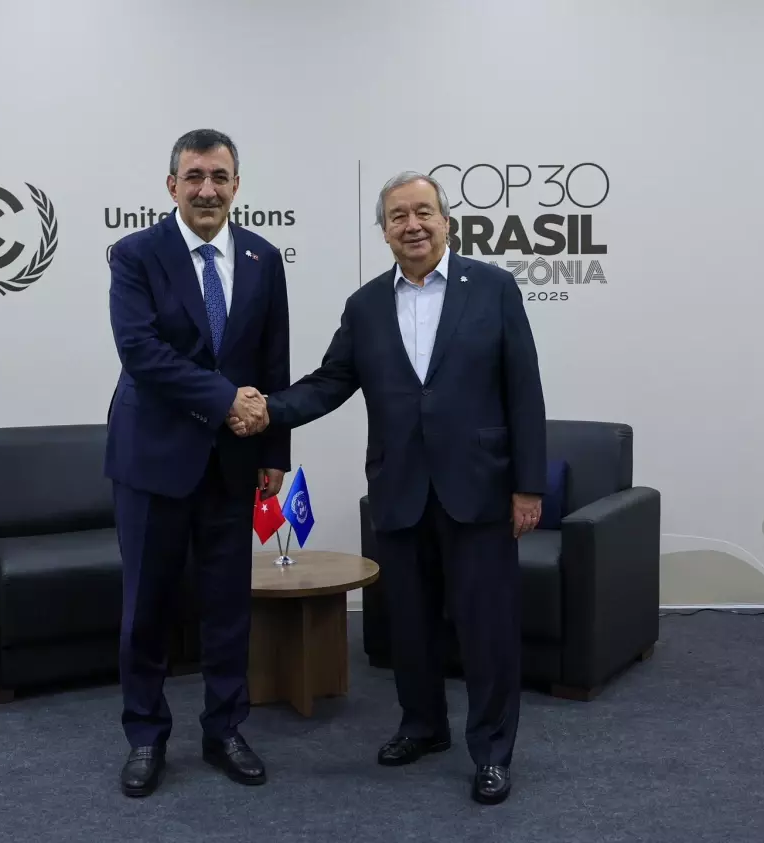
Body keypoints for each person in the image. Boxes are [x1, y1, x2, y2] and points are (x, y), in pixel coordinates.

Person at [230, 171, 546, 806]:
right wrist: (268, 411)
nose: (412, 225)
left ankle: (491, 751)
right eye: (398, 216)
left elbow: (524, 389)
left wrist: (528, 486)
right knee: (410, 623)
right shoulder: (366, 304)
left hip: (479, 488)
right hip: (399, 487)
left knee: (486, 628)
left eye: (423, 212)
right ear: (384, 231)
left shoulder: (494, 288)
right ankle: (423, 726)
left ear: (446, 221)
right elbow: (330, 382)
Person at [104, 128, 290, 798]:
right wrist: (225, 399)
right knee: (146, 607)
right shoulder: (135, 254)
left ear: (237, 185)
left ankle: (225, 729)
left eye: (219, 177)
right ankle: (145, 736)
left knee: (227, 606)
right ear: (172, 185)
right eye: (194, 177)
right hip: (152, 458)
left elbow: (273, 358)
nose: (207, 189)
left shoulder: (264, 257)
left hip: (233, 461)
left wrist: (274, 449)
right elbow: (142, 353)